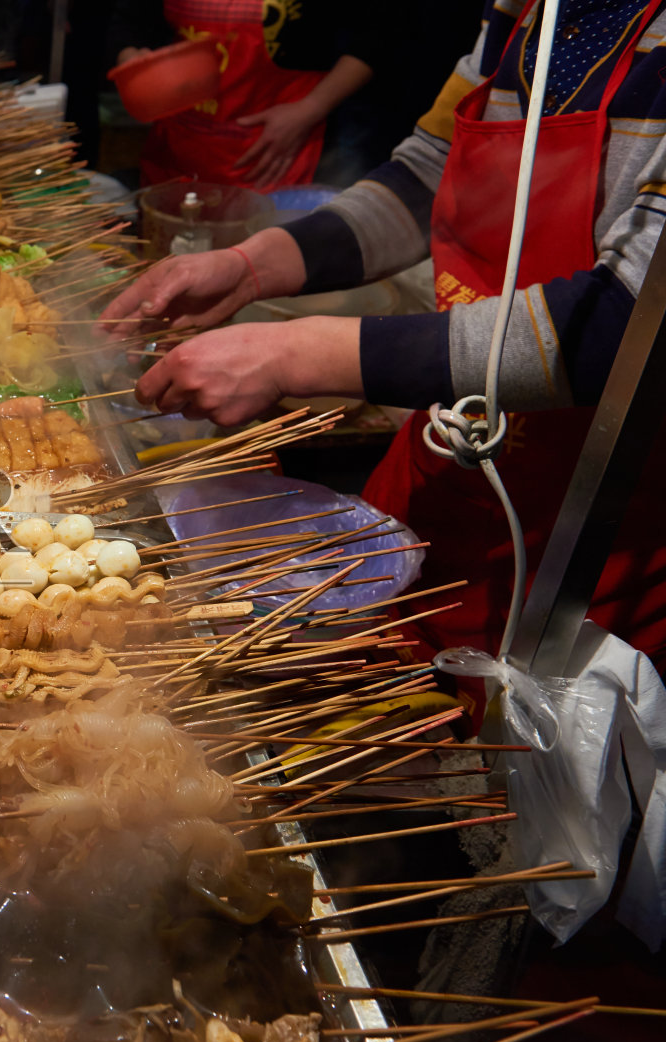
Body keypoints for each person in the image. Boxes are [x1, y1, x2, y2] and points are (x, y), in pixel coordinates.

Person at [102, 0, 666, 677]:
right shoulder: (523, 12)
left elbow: (629, 322)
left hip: (593, 538)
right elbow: (427, 174)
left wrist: (299, 354)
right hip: (456, 457)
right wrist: (254, 264)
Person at [119, 2, 379, 190]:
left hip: (274, 152)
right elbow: (131, 21)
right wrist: (131, 59)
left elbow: (379, 33)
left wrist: (311, 107)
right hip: (180, 146)